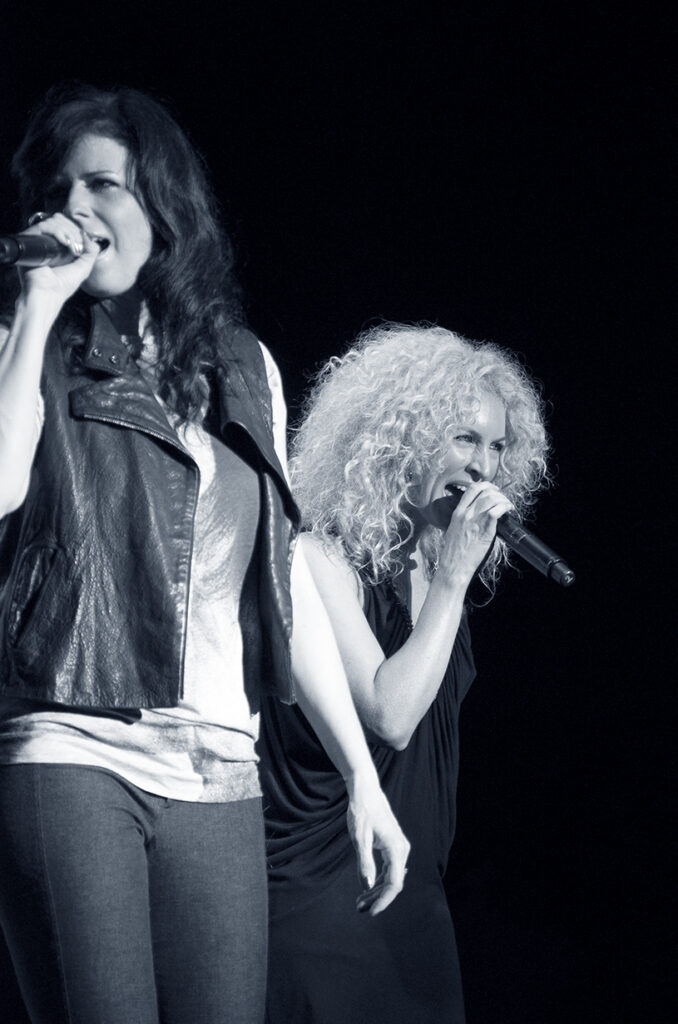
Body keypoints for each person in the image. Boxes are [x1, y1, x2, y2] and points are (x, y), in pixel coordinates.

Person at [0, 84, 408, 1024]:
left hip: (220, 765)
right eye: (58, 188)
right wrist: (35, 305)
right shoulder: (30, 346)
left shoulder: (243, 364)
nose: (77, 209)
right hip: (72, 745)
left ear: (161, 206)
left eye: (102, 185)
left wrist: (358, 778)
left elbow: (281, 578)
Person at [259, 323, 550, 1023]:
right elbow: (390, 716)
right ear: (400, 441)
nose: (484, 465)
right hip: (323, 893)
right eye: (463, 438)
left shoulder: (439, 572)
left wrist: (446, 581)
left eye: (497, 445)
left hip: (418, 898)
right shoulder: (319, 559)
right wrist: (451, 581)